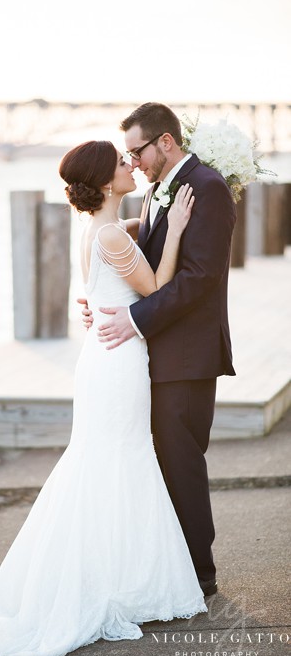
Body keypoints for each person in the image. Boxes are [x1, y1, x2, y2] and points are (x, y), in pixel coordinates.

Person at [0, 141, 206, 656]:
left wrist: (150, 218)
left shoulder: (96, 231)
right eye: (120, 163)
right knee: (122, 458)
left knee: (105, 462)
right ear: (106, 182)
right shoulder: (110, 234)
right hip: (118, 361)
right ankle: (119, 581)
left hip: (101, 357)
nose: (130, 165)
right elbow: (155, 286)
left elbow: (119, 260)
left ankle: (111, 575)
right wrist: (176, 229)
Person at [91, 103, 236, 597]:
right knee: (163, 463)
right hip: (158, 355)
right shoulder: (157, 190)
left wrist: (132, 320)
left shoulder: (208, 188)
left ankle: (200, 574)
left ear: (166, 143)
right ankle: (171, 568)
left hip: (188, 357)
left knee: (182, 463)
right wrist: (104, 301)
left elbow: (200, 278)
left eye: (137, 151)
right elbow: (140, 261)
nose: (133, 162)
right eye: (127, 155)